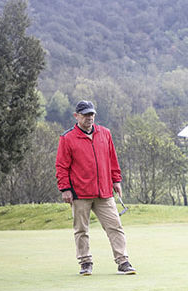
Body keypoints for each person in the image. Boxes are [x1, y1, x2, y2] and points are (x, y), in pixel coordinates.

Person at [55, 100, 135, 276]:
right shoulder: (67, 138)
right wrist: (65, 189)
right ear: (76, 116)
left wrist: (116, 180)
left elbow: (112, 159)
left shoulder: (105, 133)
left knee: (115, 226)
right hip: (80, 193)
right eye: (85, 115)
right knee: (81, 230)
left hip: (104, 192)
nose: (89, 117)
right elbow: (61, 166)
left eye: (91, 114)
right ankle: (85, 262)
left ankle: (123, 262)